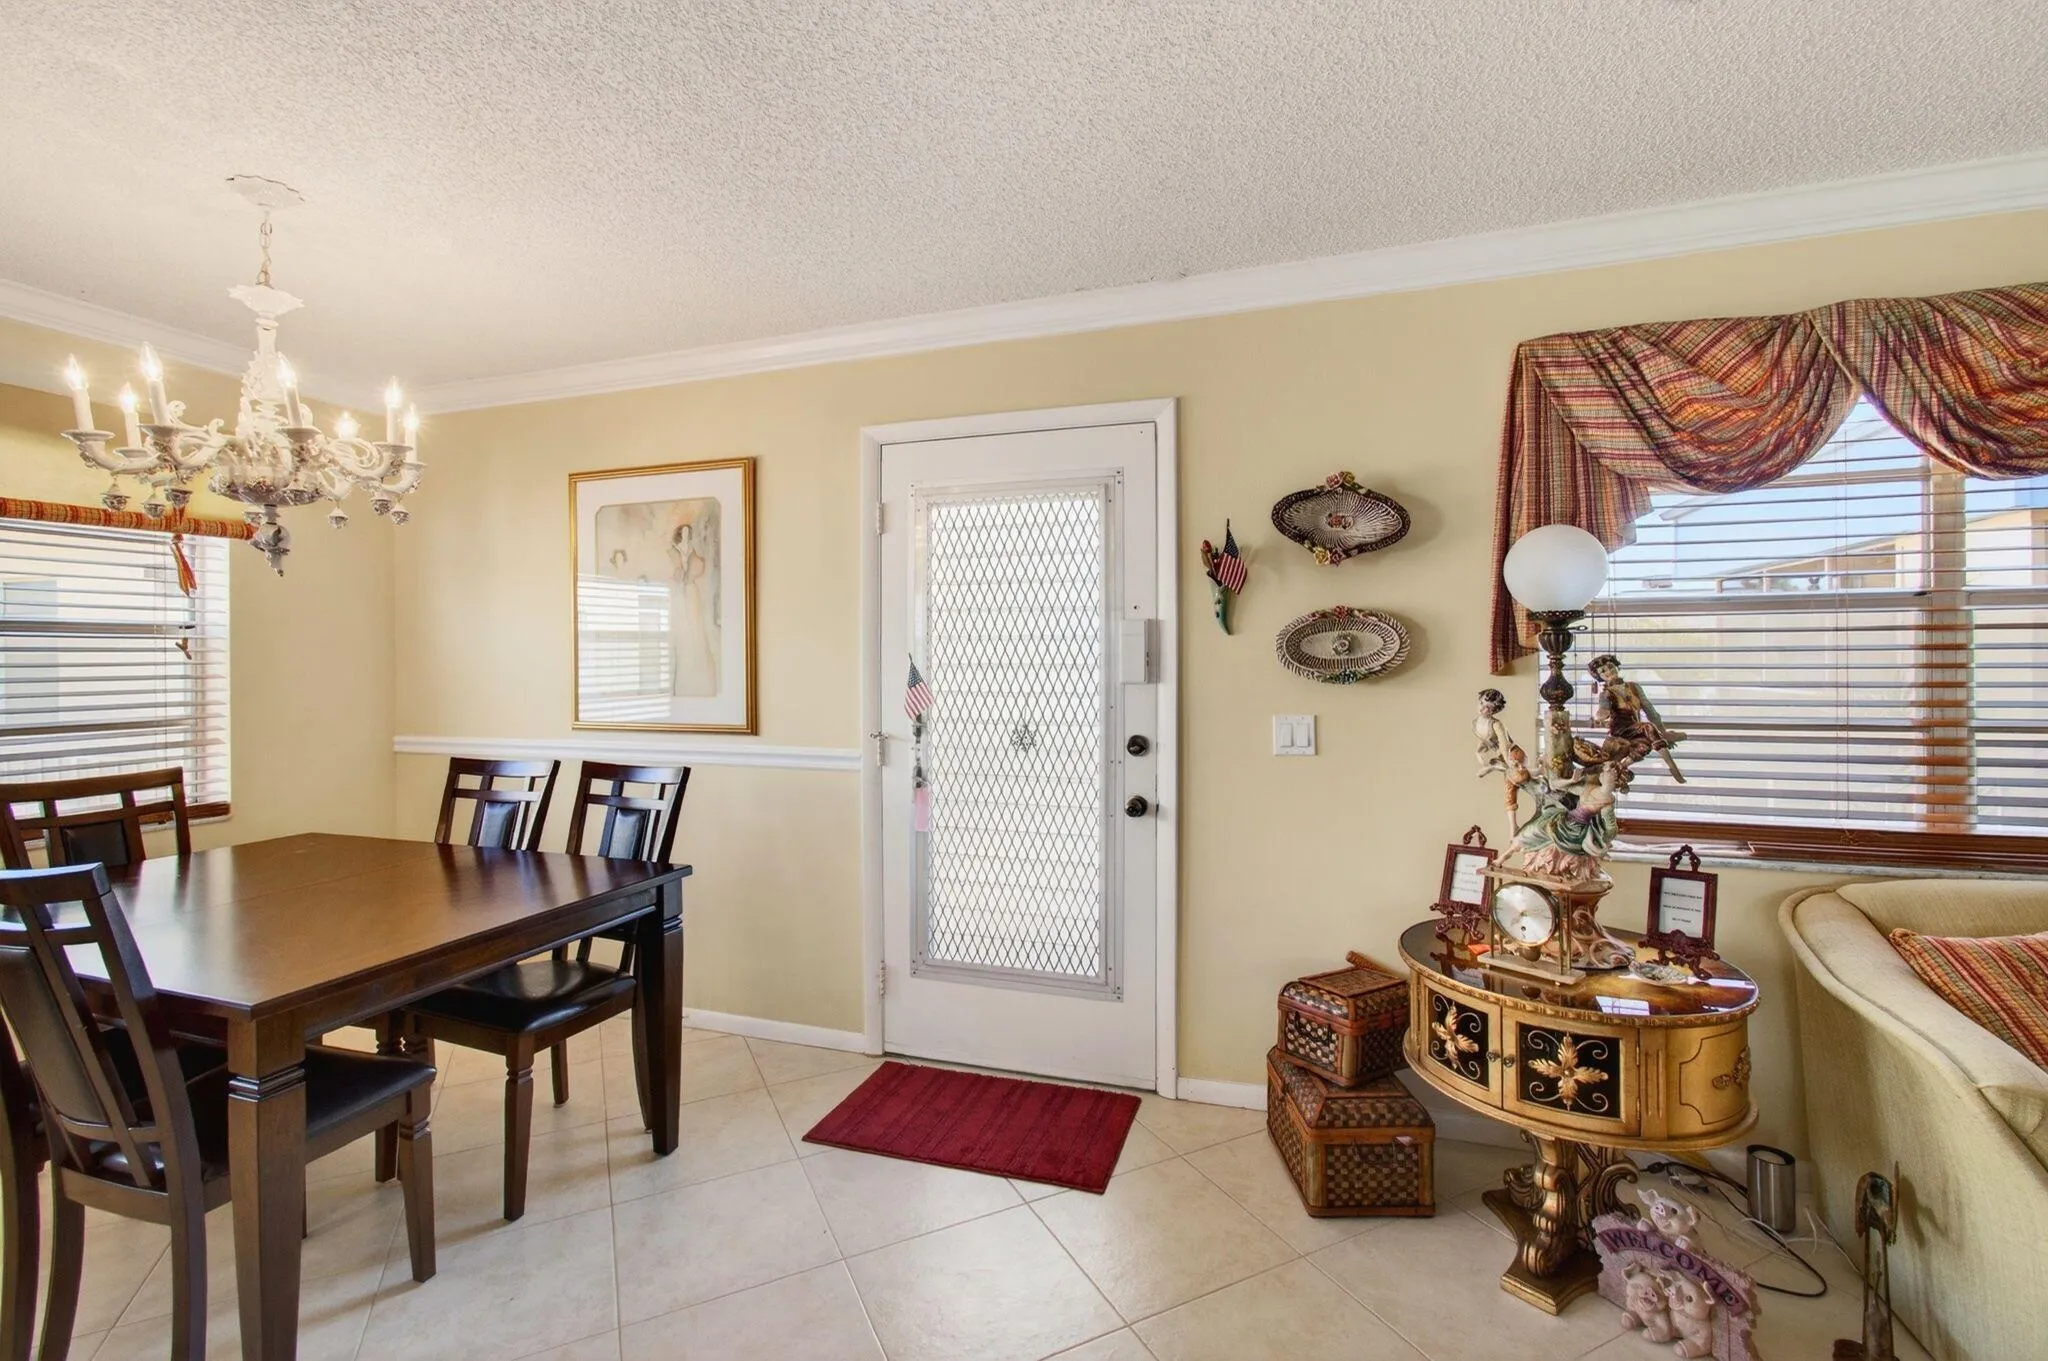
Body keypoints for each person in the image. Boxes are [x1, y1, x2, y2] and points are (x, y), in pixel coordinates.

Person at [1589, 654, 1686, 783]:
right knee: (1648, 727)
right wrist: (1600, 716)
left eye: (1611, 667)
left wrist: (1662, 731)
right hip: (1620, 729)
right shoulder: (1606, 693)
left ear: (1616, 667)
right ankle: (1672, 767)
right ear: (1599, 676)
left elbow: (1650, 710)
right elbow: (1603, 710)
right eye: (1603, 671)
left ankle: (1621, 766)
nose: (1609, 671)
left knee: (1645, 746)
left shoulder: (1633, 687)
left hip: (1635, 727)